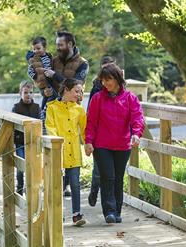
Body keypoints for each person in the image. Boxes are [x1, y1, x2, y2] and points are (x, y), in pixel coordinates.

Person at [85, 64, 145, 224]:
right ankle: (109, 212)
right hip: (102, 145)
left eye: (108, 79)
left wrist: (136, 134)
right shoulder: (97, 98)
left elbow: (137, 118)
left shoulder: (130, 98)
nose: (105, 83)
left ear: (117, 79)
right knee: (108, 177)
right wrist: (88, 141)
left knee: (118, 178)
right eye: (103, 80)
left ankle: (117, 211)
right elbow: (91, 122)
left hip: (123, 144)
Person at [44, 31, 89, 196]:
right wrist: (45, 89)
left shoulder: (83, 64)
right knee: (52, 142)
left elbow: (76, 83)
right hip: (53, 106)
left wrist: (55, 75)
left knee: (70, 142)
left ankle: (68, 183)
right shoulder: (53, 61)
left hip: (72, 108)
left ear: (70, 45)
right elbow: (43, 78)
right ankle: (54, 185)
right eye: (56, 45)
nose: (57, 48)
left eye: (60, 45)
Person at [45, 78, 87, 226]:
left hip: (74, 152)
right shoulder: (51, 107)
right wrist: (56, 142)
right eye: (77, 91)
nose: (79, 94)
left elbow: (84, 130)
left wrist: (88, 144)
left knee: (75, 184)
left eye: (81, 91)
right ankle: (58, 214)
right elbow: (50, 126)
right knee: (59, 184)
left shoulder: (79, 109)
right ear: (66, 90)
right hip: (58, 151)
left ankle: (77, 215)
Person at [87, 55, 116, 207]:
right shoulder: (96, 88)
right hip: (100, 135)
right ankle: (94, 190)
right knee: (98, 170)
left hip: (117, 136)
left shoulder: (120, 88)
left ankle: (111, 204)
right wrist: (89, 138)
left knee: (113, 172)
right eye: (105, 68)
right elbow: (90, 113)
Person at [12, 81, 40, 195]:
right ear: (20, 93)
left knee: (32, 166)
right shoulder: (16, 107)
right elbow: (12, 124)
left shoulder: (36, 107)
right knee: (21, 166)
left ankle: (30, 188)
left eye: (31, 92)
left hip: (33, 142)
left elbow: (39, 123)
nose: (28, 95)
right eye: (25, 92)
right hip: (20, 141)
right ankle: (19, 187)